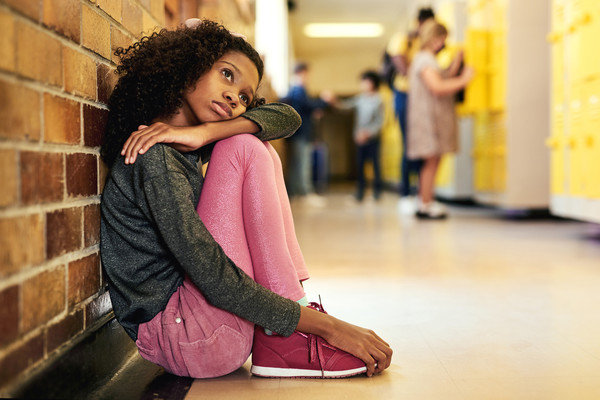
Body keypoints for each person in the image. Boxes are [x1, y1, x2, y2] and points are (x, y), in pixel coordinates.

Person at [100, 19, 392, 380]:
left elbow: (287, 116)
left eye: (244, 98)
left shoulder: (185, 148)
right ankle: (288, 327)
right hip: (188, 336)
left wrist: (204, 132)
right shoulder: (154, 157)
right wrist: (328, 327)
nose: (234, 99)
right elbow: (213, 276)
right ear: (190, 63)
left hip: (203, 326)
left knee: (254, 143)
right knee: (243, 145)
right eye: (226, 74)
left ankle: (287, 321)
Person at [407, 20, 473, 219]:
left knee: (433, 160)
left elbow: (441, 77)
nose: (442, 44)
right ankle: (425, 204)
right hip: (427, 119)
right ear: (432, 38)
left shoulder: (426, 59)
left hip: (430, 118)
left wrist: (455, 65)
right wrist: (465, 79)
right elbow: (437, 87)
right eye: (441, 39)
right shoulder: (424, 60)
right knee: (431, 161)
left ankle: (426, 200)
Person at [387, 7, 435, 212]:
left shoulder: (425, 46)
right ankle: (405, 194)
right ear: (420, 23)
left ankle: (421, 196)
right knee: (409, 145)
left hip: (420, 97)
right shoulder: (403, 39)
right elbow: (403, 67)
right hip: (405, 95)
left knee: (422, 147)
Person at [280, 62, 329, 206]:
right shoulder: (298, 89)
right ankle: (304, 192)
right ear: (301, 73)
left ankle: (298, 192)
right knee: (303, 164)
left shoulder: (293, 90)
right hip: (301, 133)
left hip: (297, 133)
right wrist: (323, 101)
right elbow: (308, 105)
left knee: (298, 164)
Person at [335, 71, 384, 202]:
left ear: (372, 83)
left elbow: (380, 122)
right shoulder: (360, 99)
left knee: (375, 166)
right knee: (360, 166)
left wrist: (368, 133)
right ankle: (360, 193)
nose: (362, 85)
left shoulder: (378, 100)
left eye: (365, 81)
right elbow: (345, 107)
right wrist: (333, 101)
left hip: (372, 139)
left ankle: (377, 193)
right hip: (359, 138)